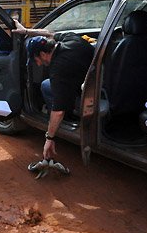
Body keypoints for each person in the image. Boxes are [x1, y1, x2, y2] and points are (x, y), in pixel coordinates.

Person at [13, 20, 94, 160]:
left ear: (43, 54)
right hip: (93, 81)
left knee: (46, 85)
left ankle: (65, 121)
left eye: (35, 60)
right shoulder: (70, 38)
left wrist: (49, 138)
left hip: (87, 96)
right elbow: (49, 33)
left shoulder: (58, 70)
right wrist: (26, 31)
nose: (37, 64)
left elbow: (58, 111)